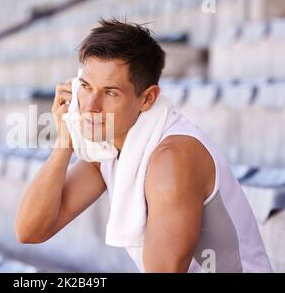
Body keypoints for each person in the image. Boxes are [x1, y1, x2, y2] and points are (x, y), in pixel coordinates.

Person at [14, 19, 272, 273]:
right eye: (85, 86)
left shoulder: (172, 158)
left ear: (148, 98)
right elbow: (31, 231)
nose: (91, 107)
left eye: (110, 92)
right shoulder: (109, 148)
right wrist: (64, 140)